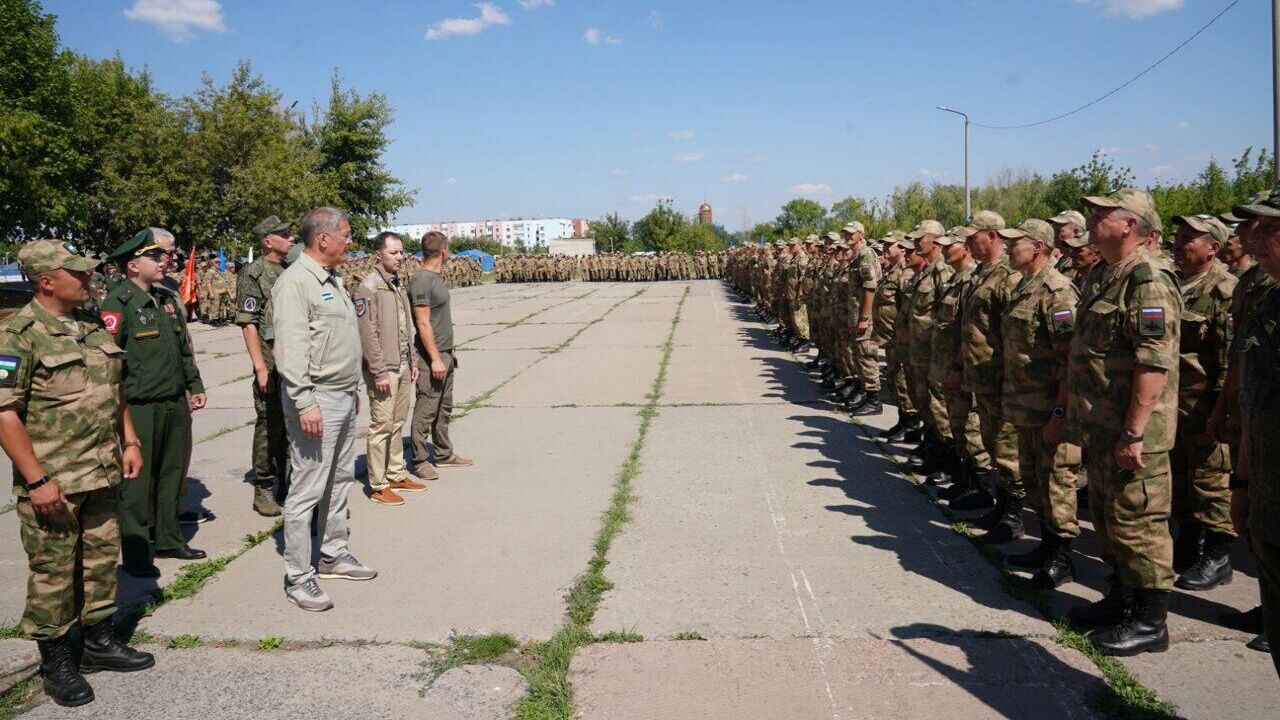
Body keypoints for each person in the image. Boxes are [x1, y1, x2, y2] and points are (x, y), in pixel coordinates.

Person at [0, 240, 154, 707]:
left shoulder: (91, 328)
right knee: (53, 571)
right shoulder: (17, 335)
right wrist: (37, 479)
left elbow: (116, 390)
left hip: (102, 469)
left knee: (99, 562)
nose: (89, 280)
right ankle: (55, 661)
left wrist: (129, 440)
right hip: (55, 480)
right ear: (47, 281)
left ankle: (97, 642)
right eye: (78, 274)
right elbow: (5, 412)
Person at [1066, 188, 1182, 656]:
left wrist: (1134, 430)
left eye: (1101, 213)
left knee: (1140, 522)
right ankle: (1121, 598)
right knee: (1112, 521)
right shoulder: (1104, 273)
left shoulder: (1147, 279)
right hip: (1103, 425)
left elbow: (1153, 361)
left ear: (1130, 224)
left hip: (1135, 432)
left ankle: (1151, 621)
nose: (1091, 220)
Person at [272, 207, 376, 612]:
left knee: (339, 479)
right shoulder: (296, 283)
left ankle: (332, 553)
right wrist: (305, 401)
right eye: (346, 235)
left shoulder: (332, 279)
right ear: (323, 240)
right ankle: (299, 576)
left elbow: (337, 341)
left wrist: (351, 389)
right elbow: (291, 350)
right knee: (307, 488)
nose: (350, 241)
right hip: (314, 399)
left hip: (341, 395)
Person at [102, 229, 207, 578]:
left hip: (173, 401)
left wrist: (194, 384)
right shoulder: (118, 304)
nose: (163, 261)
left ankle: (168, 539)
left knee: (171, 473)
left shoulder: (164, 299)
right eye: (153, 257)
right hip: (140, 406)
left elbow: (182, 349)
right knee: (138, 481)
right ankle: (134, 553)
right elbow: (110, 363)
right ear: (133, 266)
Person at [998, 219, 1082, 588]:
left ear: (1038, 246)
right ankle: (1047, 546)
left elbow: (1071, 363)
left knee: (1057, 483)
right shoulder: (1022, 287)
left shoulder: (1058, 292)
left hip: (1050, 409)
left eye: (1016, 243)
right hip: (1025, 406)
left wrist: (1060, 414)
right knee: (1034, 480)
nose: (1009, 248)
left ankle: (1063, 558)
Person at [1225, 190, 1280, 676]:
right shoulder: (1269, 302)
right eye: (1253, 228)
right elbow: (1255, 405)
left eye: (1269, 228)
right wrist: (1242, 483)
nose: (1251, 239)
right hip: (1268, 490)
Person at [1168, 215, 1237, 591]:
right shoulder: (1173, 284)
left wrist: (1221, 409)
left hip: (1205, 406)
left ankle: (1218, 554)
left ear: (1213, 247)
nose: (1179, 244)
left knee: (1211, 481)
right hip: (1173, 407)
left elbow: (1228, 360)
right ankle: (1189, 541)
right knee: (1180, 479)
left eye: (1189, 238)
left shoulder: (1225, 290)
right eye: (1177, 237)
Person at [955, 211, 1024, 543]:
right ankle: (1000, 502)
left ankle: (1014, 514)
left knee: (1007, 448)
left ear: (993, 236)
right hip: (980, 377)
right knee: (992, 442)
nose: (967, 243)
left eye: (973, 236)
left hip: (1000, 380)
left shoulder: (1007, 277)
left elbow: (1013, 335)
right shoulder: (981, 274)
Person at [356, 232, 427, 506]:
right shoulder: (369, 287)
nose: (399, 257)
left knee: (397, 423)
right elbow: (368, 334)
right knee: (381, 426)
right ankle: (378, 484)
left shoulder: (395, 284)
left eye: (401, 252)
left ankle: (396, 473)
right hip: (384, 369)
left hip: (403, 365)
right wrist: (378, 371)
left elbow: (403, 327)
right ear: (378, 255)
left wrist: (411, 362)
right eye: (393, 253)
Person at [235, 216, 293, 517]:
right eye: (283, 234)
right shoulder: (253, 273)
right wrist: (260, 367)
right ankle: (264, 486)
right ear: (267, 241)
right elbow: (248, 325)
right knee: (269, 424)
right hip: (270, 363)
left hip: (292, 361)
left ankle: (288, 481)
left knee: (290, 425)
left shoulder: (290, 270)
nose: (291, 238)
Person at [410, 231, 473, 475]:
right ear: (444, 251)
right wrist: (435, 358)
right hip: (430, 358)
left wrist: (449, 352)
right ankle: (419, 460)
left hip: (445, 353)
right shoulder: (422, 281)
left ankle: (444, 453)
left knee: (443, 408)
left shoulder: (434, 278)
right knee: (427, 408)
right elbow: (423, 323)